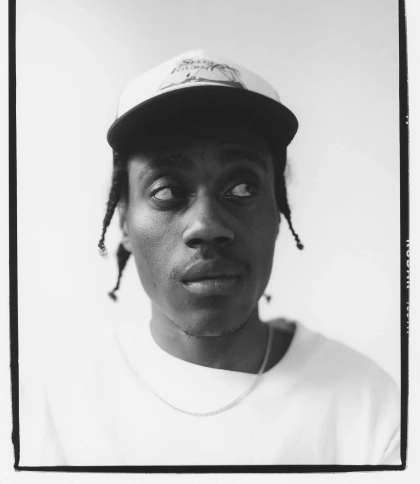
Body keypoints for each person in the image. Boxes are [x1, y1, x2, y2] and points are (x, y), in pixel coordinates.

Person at [20, 50, 400, 466]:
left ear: (277, 212)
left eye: (242, 187)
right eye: (167, 190)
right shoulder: (55, 408)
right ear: (124, 221)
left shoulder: (370, 411)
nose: (206, 225)